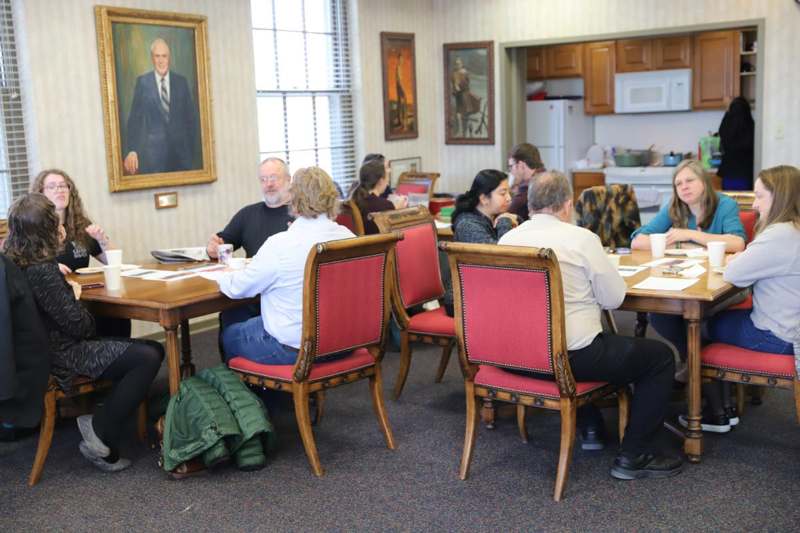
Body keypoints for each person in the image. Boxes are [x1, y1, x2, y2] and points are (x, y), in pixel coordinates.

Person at [499, 171, 681, 480]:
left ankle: (591, 425)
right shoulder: (581, 239)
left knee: (596, 341)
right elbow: (613, 299)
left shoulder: (507, 239)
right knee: (659, 358)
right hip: (568, 360)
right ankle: (634, 454)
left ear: (529, 205)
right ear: (567, 205)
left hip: (515, 357)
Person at [2, 193, 164, 472]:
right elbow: (81, 327)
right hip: (62, 356)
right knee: (150, 354)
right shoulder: (43, 271)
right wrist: (74, 294)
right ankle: (100, 429)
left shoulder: (12, 263)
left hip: (34, 353)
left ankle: (102, 418)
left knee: (136, 343)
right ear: (50, 229)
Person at [677, 165, 800, 433]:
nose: (754, 205)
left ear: (779, 197)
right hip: (791, 325)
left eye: (759, 196)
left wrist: (740, 259)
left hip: (777, 335)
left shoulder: (779, 235)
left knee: (694, 326)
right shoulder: (794, 230)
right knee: (713, 318)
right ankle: (723, 403)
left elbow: (734, 272)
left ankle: (715, 411)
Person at [215, 167, 355, 364]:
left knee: (231, 332)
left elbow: (238, 288)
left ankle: (254, 392)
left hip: (295, 348)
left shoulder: (281, 244)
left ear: (294, 202)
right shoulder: (349, 238)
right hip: (346, 341)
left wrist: (222, 275)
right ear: (333, 199)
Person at [631, 159, 746, 370]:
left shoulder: (725, 204)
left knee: (694, 314)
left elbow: (737, 243)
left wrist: (688, 235)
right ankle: (694, 362)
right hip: (685, 282)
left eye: (690, 180)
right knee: (659, 315)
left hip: (723, 286)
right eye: (678, 184)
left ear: (704, 181)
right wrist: (676, 243)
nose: (684, 187)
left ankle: (700, 367)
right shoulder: (674, 207)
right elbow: (638, 240)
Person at [30, 168, 131, 338]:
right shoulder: (34, 228)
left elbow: (114, 263)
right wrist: (49, 266)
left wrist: (102, 239)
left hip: (86, 297)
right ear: (40, 193)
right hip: (58, 305)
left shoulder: (80, 224)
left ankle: (116, 358)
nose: (59, 190)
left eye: (63, 186)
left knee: (119, 315)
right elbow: (23, 266)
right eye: (52, 186)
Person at [206, 157, 295, 337]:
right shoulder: (248, 214)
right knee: (230, 314)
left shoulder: (300, 214)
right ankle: (234, 362)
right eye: (263, 179)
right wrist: (212, 247)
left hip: (286, 298)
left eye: (273, 178)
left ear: (288, 180)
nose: (268, 184)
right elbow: (223, 241)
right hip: (252, 293)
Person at [443, 169, 517, 317]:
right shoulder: (467, 224)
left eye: (509, 192)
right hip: (463, 298)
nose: (509, 198)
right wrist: (505, 222)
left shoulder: (493, 216)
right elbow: (501, 257)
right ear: (484, 199)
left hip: (485, 289)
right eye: (502, 193)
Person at [123, 38, 199, 175]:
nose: (161, 60)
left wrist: (190, 153)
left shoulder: (181, 82)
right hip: (153, 159)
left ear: (169, 58)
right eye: (157, 56)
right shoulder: (143, 83)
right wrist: (132, 150)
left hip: (181, 159)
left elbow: (191, 121)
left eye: (164, 56)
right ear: (152, 58)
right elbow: (135, 120)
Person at [350, 159, 407, 234]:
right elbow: (394, 232)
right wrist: (398, 210)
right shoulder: (383, 205)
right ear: (381, 181)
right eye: (387, 178)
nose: (387, 183)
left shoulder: (355, 199)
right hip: (377, 244)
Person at [717, 96, 755, 191]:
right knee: (745, 203)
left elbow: (721, 131)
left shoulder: (727, 127)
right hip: (746, 175)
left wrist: (727, 109)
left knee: (729, 202)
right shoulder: (751, 126)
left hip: (729, 175)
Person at [507, 143, 545, 222]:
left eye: (511, 166)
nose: (510, 171)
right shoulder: (546, 177)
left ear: (521, 165)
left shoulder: (527, 190)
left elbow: (507, 215)